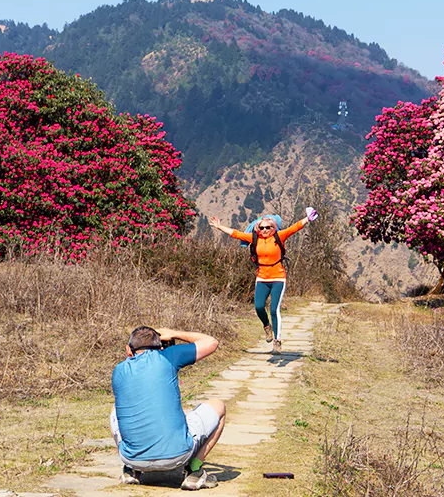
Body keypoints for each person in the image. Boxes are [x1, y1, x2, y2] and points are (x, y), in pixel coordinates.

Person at [111, 326, 226, 490]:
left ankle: (132, 470)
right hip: (177, 456)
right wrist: (174, 334)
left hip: (131, 458)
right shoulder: (167, 357)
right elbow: (211, 342)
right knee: (218, 406)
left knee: (115, 410)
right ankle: (194, 471)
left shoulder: (118, 370)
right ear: (161, 346)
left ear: (128, 350)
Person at [207, 207, 318, 354]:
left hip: (278, 277)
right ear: (258, 228)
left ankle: (277, 341)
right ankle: (267, 326)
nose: (265, 230)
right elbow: (235, 233)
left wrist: (307, 219)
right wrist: (219, 227)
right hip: (262, 278)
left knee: (274, 309)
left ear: (274, 227)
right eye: (262, 227)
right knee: (259, 307)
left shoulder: (280, 236)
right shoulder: (254, 238)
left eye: (268, 227)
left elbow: (295, 228)